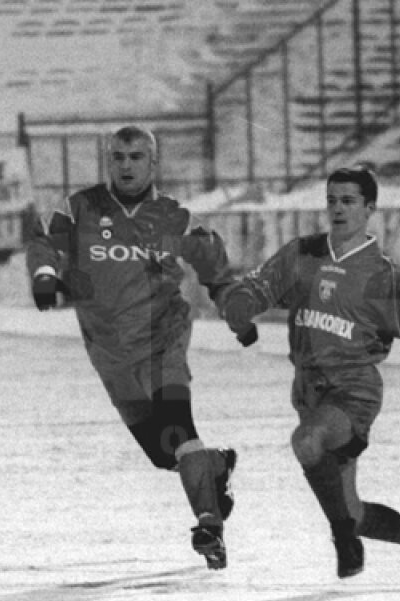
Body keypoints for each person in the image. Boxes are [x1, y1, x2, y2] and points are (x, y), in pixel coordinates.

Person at [220, 166, 400, 584]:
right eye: (332, 199)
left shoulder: (381, 276)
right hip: (310, 394)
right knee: (350, 509)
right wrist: (240, 312)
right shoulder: (304, 254)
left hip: (354, 392)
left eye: (349, 201)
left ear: (370, 208)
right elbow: (255, 287)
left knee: (307, 441)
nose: (338, 208)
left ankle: (343, 541)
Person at [25, 125, 239, 570]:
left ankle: (208, 524)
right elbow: (46, 241)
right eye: (118, 156)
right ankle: (214, 466)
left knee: (179, 429)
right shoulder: (81, 209)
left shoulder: (170, 216)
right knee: (165, 455)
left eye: (136, 157)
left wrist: (227, 296)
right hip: (110, 354)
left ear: (153, 163)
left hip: (163, 341)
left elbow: (210, 256)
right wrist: (45, 275)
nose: (126, 165)